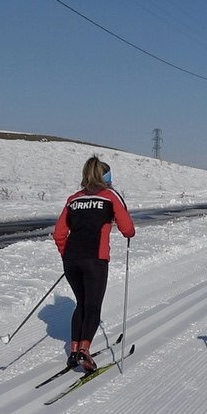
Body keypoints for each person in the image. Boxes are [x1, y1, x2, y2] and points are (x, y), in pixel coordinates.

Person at [52, 155, 136, 372]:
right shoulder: (110, 197)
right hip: (95, 260)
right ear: (104, 176)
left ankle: (73, 351)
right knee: (92, 306)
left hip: (72, 260)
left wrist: (66, 254)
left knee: (81, 303)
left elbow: (59, 232)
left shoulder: (73, 199)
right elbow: (128, 229)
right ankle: (84, 351)